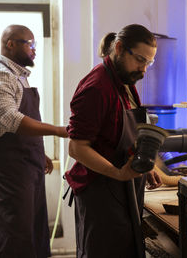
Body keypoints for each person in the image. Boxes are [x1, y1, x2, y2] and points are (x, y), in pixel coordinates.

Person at [65, 24, 162, 258]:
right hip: (100, 192)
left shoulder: (125, 83)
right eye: (140, 60)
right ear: (119, 48)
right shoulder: (97, 88)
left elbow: (121, 132)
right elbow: (77, 148)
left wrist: (141, 162)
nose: (144, 69)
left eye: (149, 62)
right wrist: (118, 173)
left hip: (122, 187)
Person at [0, 24, 69, 257]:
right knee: (15, 231)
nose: (34, 50)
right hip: (8, 165)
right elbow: (10, 119)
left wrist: (39, 152)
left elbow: (24, 122)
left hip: (26, 162)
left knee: (34, 228)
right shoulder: (0, 74)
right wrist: (58, 130)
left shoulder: (19, 76)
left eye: (35, 44)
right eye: (29, 44)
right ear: (10, 44)